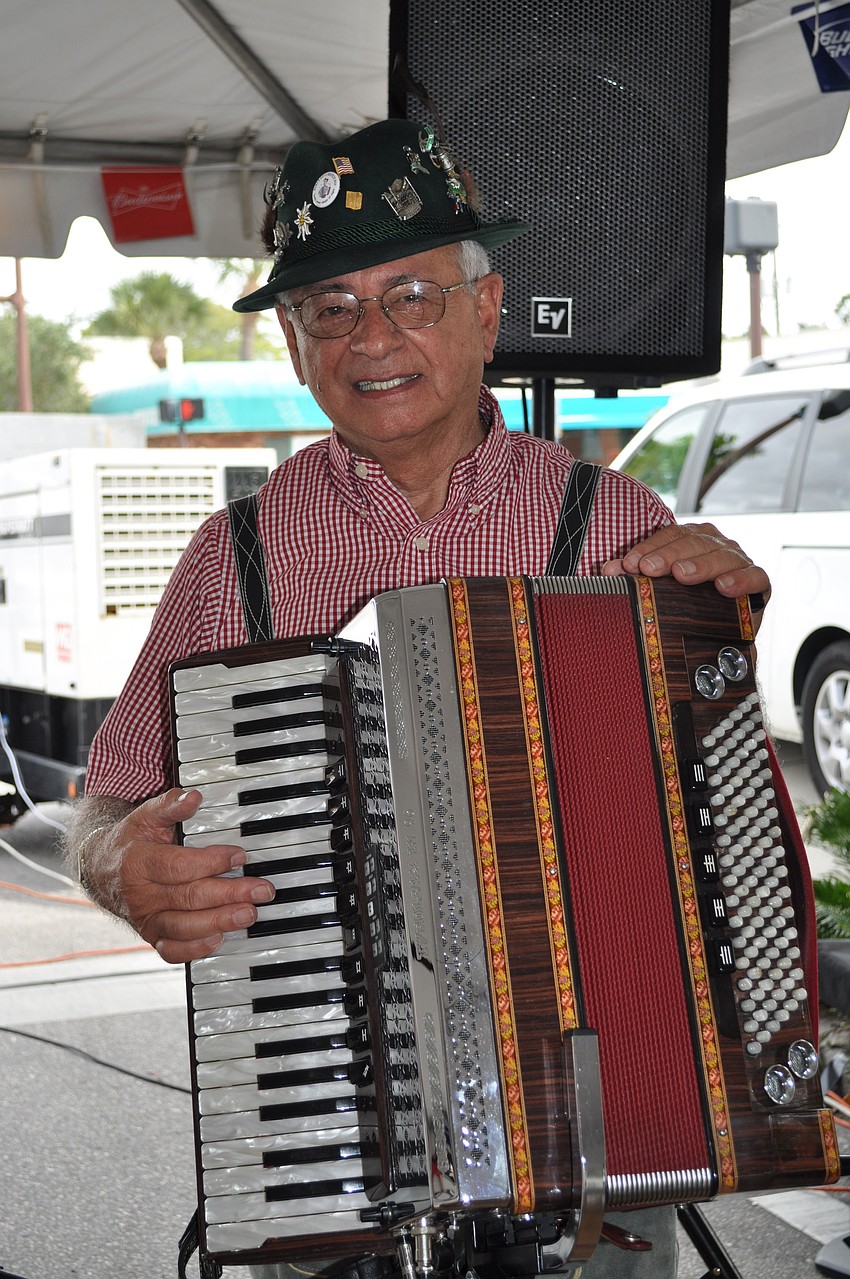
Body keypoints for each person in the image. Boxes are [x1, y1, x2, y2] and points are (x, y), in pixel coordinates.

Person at [64, 118, 770, 1278]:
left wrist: (723, 642)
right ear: (294, 343)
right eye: (330, 308)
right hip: (324, 1149)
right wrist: (116, 865)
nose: (372, 337)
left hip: (596, 1165)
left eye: (412, 296)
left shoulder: (614, 527)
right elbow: (107, 797)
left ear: (486, 311)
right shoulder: (231, 558)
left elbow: (713, 831)